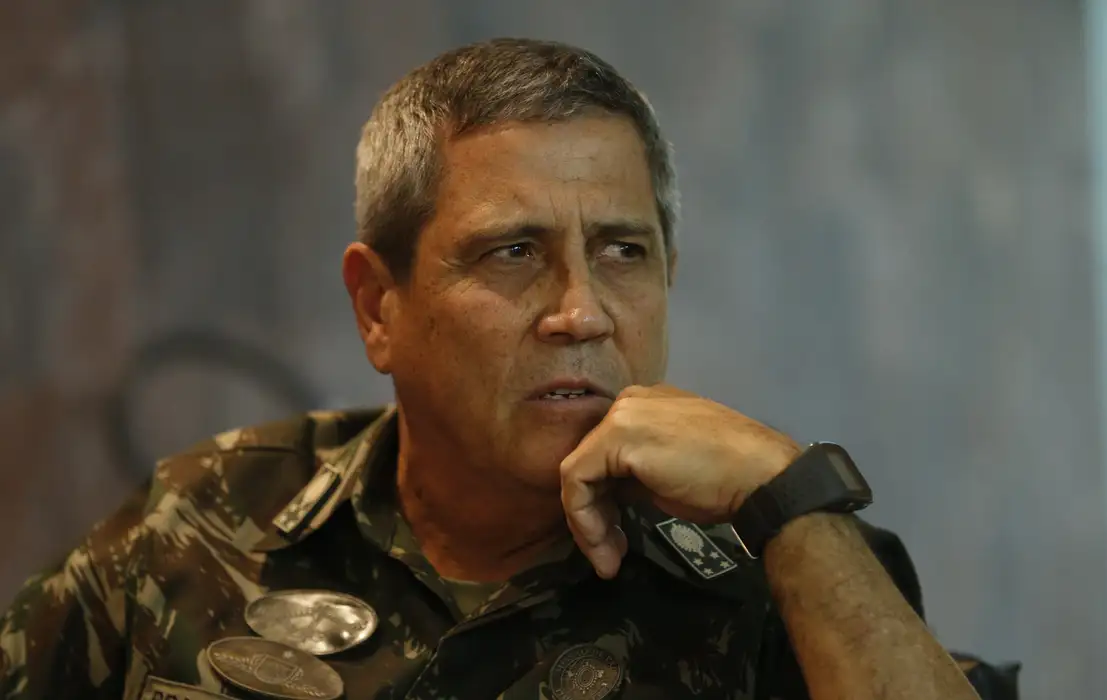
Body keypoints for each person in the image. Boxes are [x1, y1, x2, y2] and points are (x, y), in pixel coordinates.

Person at [0, 38, 1019, 700]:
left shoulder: (783, 561)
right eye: (514, 252)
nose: (582, 311)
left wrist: (791, 505)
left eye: (623, 251)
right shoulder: (208, 517)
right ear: (379, 306)